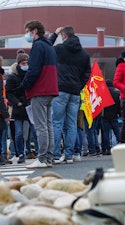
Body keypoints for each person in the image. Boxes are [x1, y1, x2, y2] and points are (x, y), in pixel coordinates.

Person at [48, 26, 91, 164]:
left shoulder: (59, 49)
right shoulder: (84, 54)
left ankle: (55, 155)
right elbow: (87, 74)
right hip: (75, 92)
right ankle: (69, 155)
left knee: (57, 122)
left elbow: (45, 48)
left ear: (64, 35)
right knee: (72, 124)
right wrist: (79, 85)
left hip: (60, 89)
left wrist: (54, 35)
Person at [21, 20, 59, 169]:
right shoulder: (49, 46)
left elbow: (34, 70)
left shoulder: (37, 46)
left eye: (28, 31)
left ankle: (42, 158)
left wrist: (24, 85)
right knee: (48, 125)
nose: (27, 35)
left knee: (41, 126)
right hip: (50, 89)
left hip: (40, 90)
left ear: (35, 31)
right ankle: (49, 157)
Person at [6, 51, 31, 164]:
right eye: (23, 63)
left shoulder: (30, 75)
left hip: (29, 108)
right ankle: (20, 152)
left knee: (27, 133)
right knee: (19, 132)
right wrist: (17, 102)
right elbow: (9, 93)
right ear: (18, 64)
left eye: (26, 62)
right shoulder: (13, 78)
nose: (25, 65)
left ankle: (26, 151)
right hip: (18, 109)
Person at [101, 80, 121, 155]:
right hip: (114, 115)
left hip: (105, 115)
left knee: (105, 133)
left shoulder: (103, 93)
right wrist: (119, 113)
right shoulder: (116, 93)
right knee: (117, 131)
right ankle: (120, 144)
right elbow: (119, 105)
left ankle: (107, 148)